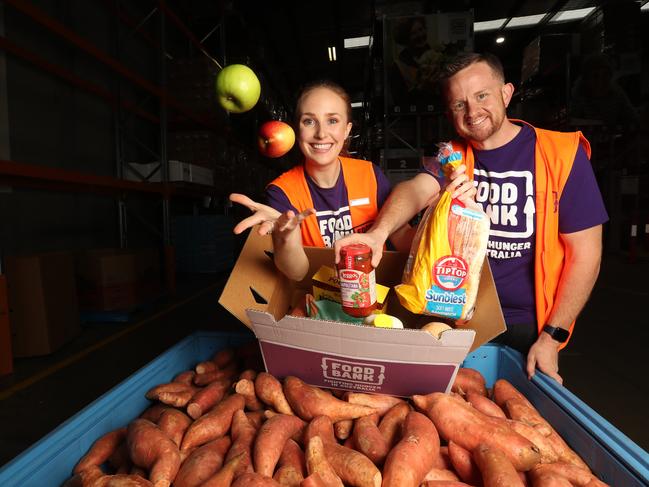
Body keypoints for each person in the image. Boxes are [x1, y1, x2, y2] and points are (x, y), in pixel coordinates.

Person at [334, 52, 608, 384]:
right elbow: (414, 190)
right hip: (459, 318)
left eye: (482, 96)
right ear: (450, 113)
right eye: (459, 104)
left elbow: (586, 255)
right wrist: (378, 234)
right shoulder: (451, 157)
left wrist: (552, 337)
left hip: (530, 325)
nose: (472, 111)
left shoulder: (561, 154)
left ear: (506, 94)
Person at [230, 80, 412, 281]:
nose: (321, 134)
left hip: (374, 294)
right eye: (309, 121)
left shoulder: (370, 174)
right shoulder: (282, 192)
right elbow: (297, 273)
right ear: (297, 130)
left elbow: (400, 234)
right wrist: (285, 237)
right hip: (318, 298)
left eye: (332, 121)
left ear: (347, 130)